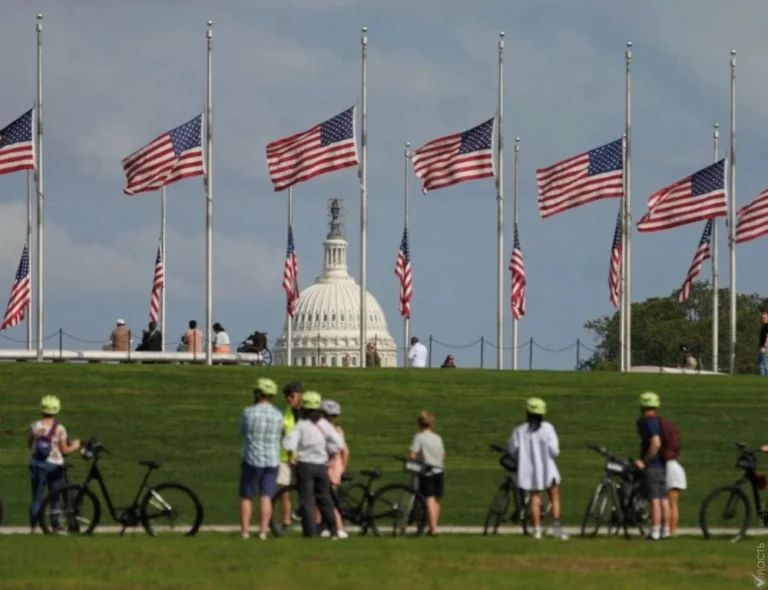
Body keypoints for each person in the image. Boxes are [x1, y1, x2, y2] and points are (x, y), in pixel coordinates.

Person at [282, 391, 345, 539]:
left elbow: (288, 442)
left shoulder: (302, 424)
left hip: (305, 465)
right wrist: (330, 452)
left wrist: (292, 456)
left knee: (307, 500)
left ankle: (310, 532)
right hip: (321, 466)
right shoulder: (325, 424)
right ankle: (333, 530)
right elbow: (338, 443)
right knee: (325, 499)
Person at [508, 398, 568, 540]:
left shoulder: (519, 431)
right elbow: (554, 451)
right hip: (548, 468)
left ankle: (536, 530)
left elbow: (513, 450)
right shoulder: (548, 428)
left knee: (535, 498)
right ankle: (557, 530)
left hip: (530, 469)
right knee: (554, 496)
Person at [238, 378, 283, 540]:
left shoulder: (248, 412)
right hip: (272, 458)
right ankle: (263, 531)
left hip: (252, 458)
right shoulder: (278, 415)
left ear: (259, 394)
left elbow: (242, 431)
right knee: (266, 496)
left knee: (246, 495)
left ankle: (245, 531)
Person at [28, 395, 81, 533]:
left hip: (38, 465)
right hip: (55, 466)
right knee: (55, 497)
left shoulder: (35, 426)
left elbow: (30, 445)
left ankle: (34, 527)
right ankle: (55, 526)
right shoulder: (60, 429)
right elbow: (65, 451)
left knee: (37, 498)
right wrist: (75, 446)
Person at [635, 391, 670, 540]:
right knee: (663, 498)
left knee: (654, 498)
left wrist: (645, 460)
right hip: (662, 465)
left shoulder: (648, 422)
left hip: (653, 466)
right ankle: (665, 529)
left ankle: (655, 530)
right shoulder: (659, 421)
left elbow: (655, 443)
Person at [409, 411, 445, 537]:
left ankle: (433, 528)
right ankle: (434, 525)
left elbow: (412, 454)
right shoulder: (437, 437)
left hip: (427, 471)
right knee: (436, 499)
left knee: (428, 498)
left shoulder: (419, 437)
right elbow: (442, 455)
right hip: (439, 469)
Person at [320, 399, 349, 539]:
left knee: (328, 499)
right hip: (337, 466)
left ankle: (339, 527)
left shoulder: (325, 431)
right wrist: (342, 467)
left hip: (329, 466)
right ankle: (326, 526)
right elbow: (345, 451)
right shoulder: (339, 430)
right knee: (328, 498)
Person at [277, 381, 304, 530]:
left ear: (300, 395)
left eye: (291, 395)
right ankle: (286, 521)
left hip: (303, 456)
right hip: (284, 457)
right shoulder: (284, 413)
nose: (288, 398)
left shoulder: (308, 413)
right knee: (284, 491)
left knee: (305, 489)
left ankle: (308, 517)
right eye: (286, 396)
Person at [758, 311, 768, 375]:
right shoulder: (764, 326)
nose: (763, 319)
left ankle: (764, 377)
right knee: (762, 362)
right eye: (762, 317)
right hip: (763, 346)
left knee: (763, 363)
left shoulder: (767, 326)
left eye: (765, 317)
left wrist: (765, 346)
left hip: (765, 347)